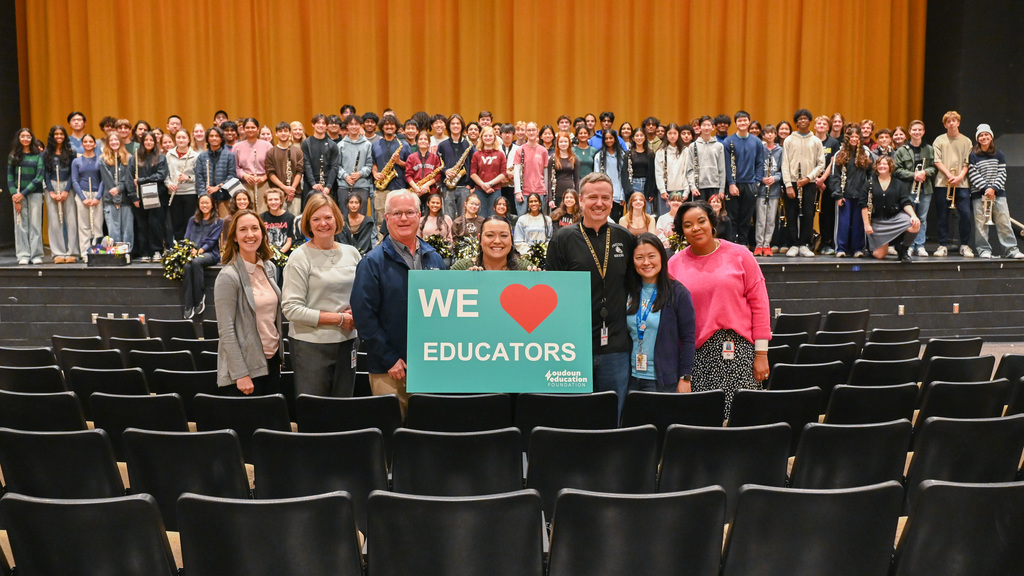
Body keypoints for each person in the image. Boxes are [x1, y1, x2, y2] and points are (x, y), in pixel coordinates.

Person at [667, 200, 771, 417]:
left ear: (712, 223)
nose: (695, 228)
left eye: (701, 221)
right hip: (695, 358)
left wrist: (761, 354)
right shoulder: (673, 265)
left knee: (741, 423)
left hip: (740, 354)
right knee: (703, 424)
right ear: (682, 231)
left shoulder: (741, 255)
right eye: (688, 225)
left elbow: (760, 305)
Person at [352, 190, 447, 415]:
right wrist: (390, 358)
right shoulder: (371, 263)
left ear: (419, 216)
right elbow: (364, 316)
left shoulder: (434, 258)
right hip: (390, 369)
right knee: (393, 435)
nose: (403, 219)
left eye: (409, 212)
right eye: (396, 213)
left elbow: (445, 309)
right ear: (386, 219)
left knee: (427, 432)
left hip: (428, 365)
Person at [547, 173, 635, 415]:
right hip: (574, 346)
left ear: (613, 201)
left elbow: (635, 287)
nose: (599, 203)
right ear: (581, 200)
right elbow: (552, 292)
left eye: (605, 197)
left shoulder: (624, 237)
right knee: (575, 417)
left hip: (615, 346)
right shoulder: (562, 238)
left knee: (612, 416)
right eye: (593, 197)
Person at [282, 194, 362, 397]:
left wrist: (357, 309)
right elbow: (291, 309)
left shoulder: (352, 253)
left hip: (347, 342)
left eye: (327, 217)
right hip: (311, 346)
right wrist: (339, 319)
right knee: (316, 413)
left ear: (337, 219)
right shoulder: (299, 257)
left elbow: (361, 295)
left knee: (343, 408)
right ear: (308, 223)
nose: (323, 224)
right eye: (316, 219)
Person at [215, 209, 283, 395]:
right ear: (235, 237)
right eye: (243, 229)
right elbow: (226, 330)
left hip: (271, 361)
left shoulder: (268, 267)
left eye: (255, 228)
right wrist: (240, 374)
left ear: (262, 233)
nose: (250, 234)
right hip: (246, 368)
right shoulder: (228, 276)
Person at [626, 232, 696, 392]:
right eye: (639, 258)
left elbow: (688, 339)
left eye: (652, 256)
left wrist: (685, 377)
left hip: (662, 381)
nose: (646, 263)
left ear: (662, 257)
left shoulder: (678, 293)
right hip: (630, 379)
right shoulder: (628, 290)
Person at [969, 124, 1022, 259]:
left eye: (986, 134)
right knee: (981, 225)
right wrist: (986, 188)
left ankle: (1011, 250)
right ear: (978, 139)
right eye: (981, 135)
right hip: (979, 195)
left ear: (991, 137)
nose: (984, 137)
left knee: (1004, 222)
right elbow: (973, 174)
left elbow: (1002, 173)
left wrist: (993, 189)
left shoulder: (999, 154)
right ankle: (984, 250)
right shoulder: (973, 155)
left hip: (998, 194)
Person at [781, 109, 826, 258]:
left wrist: (809, 177)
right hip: (793, 182)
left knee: (808, 214)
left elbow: (821, 164)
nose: (802, 121)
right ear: (796, 122)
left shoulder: (816, 141)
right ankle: (793, 244)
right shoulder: (789, 140)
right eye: (799, 119)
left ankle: (805, 244)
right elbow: (785, 164)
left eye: (805, 119)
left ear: (809, 121)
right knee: (791, 214)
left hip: (809, 182)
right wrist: (788, 184)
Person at [931, 111, 974, 257]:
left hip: (961, 183)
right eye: (948, 121)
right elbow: (937, 160)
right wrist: (950, 175)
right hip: (943, 183)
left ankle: (965, 245)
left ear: (958, 123)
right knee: (942, 215)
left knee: (966, 215)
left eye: (954, 121)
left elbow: (968, 162)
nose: (951, 123)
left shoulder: (966, 141)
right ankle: (942, 245)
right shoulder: (939, 140)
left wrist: (960, 176)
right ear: (945, 124)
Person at [862, 156, 920, 262]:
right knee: (879, 255)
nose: (882, 166)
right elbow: (863, 205)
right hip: (878, 222)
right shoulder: (869, 184)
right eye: (879, 164)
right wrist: (866, 224)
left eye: (885, 164)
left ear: (890, 166)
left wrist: (914, 216)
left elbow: (905, 202)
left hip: (894, 218)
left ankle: (903, 250)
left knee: (915, 225)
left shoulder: (898, 184)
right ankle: (890, 242)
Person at [893, 120, 936, 258]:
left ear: (923, 132)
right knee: (910, 218)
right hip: (908, 189)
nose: (917, 132)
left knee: (922, 218)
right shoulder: (901, 150)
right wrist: (914, 175)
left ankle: (920, 245)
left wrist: (925, 172)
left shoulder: (929, 149)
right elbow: (897, 170)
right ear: (910, 132)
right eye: (914, 130)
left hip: (925, 189)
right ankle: (909, 245)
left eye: (920, 130)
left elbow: (934, 167)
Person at [830, 124, 873, 258]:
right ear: (848, 138)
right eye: (852, 137)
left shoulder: (866, 153)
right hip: (844, 195)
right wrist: (838, 194)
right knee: (843, 223)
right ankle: (840, 249)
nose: (854, 139)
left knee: (859, 223)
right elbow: (834, 176)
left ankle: (858, 249)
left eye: (856, 137)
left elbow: (872, 174)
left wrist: (868, 192)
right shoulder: (840, 153)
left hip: (861, 195)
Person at [723, 111, 765, 246]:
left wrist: (757, 182)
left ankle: (743, 243)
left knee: (746, 218)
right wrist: (731, 183)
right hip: (734, 184)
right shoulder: (728, 141)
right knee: (732, 217)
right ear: (735, 124)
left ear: (749, 122)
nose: (742, 123)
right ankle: (732, 244)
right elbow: (727, 165)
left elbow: (760, 162)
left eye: (745, 120)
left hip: (750, 184)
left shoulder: (757, 142)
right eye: (739, 121)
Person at [128, 131, 169, 262]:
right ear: (142, 142)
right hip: (139, 197)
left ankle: (157, 251)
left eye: (151, 140)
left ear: (155, 142)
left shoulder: (161, 157)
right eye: (146, 140)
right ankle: (145, 252)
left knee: (155, 224)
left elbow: (161, 175)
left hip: (157, 195)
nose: (149, 142)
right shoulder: (134, 157)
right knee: (142, 225)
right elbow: (129, 179)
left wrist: (142, 180)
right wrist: (134, 197)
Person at [7, 128, 45, 265]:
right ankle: (23, 254)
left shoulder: (38, 155)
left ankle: (36, 255)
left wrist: (23, 193)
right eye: (22, 136)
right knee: (20, 224)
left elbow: (39, 177)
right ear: (18, 138)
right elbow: (10, 177)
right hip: (18, 194)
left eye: (28, 137)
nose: (25, 139)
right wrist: (14, 195)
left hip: (34, 193)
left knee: (35, 224)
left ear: (32, 138)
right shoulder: (13, 155)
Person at [181, 194, 223, 318]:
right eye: (202, 203)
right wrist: (188, 250)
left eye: (207, 203)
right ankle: (188, 304)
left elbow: (212, 241)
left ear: (212, 205)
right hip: (193, 253)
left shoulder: (218, 221)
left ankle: (199, 298)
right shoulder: (192, 220)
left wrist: (199, 250)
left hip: (210, 254)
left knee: (196, 262)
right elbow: (187, 237)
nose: (204, 205)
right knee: (187, 266)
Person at [43, 126, 78, 263]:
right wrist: (51, 191)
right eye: (56, 134)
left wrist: (66, 190)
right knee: (54, 221)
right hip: (52, 186)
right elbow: (45, 173)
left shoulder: (71, 152)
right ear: (52, 136)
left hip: (67, 187)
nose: (59, 136)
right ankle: (57, 253)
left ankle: (72, 252)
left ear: (65, 136)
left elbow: (72, 173)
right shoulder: (46, 154)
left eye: (61, 134)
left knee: (71, 220)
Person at [450, 215, 532, 270]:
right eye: (490, 235)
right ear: (480, 239)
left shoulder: (525, 268)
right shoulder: (462, 268)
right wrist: (464, 280)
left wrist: (537, 278)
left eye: (503, 236)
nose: (497, 241)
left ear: (511, 239)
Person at [371, 114, 409, 230]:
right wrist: (375, 174)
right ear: (382, 127)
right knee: (380, 221)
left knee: (399, 220)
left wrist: (399, 162)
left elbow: (410, 166)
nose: (389, 127)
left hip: (398, 187)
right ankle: (381, 246)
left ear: (396, 127)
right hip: (381, 189)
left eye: (392, 124)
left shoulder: (404, 145)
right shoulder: (375, 144)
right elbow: (373, 163)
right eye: (386, 124)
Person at [71, 134, 105, 257]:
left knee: (97, 225)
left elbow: (103, 180)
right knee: (84, 226)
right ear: (82, 144)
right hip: (83, 195)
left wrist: (98, 197)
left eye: (91, 141)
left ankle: (98, 252)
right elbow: (74, 180)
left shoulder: (100, 160)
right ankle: (85, 253)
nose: (88, 143)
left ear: (95, 144)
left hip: (96, 195)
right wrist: (83, 198)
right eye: (86, 141)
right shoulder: (76, 161)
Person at [437, 113, 476, 218]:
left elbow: (474, 165)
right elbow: (438, 163)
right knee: (448, 217)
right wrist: (445, 171)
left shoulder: (469, 145)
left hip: (464, 187)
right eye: (453, 123)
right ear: (449, 126)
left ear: (462, 125)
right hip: (448, 187)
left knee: (464, 217)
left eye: (458, 123)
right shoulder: (442, 145)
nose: (455, 126)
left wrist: (471, 185)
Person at [195, 126, 237, 218]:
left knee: (224, 223)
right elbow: (199, 177)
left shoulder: (229, 155)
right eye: (211, 136)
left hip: (225, 196)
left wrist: (218, 187)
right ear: (207, 139)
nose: (214, 138)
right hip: (207, 198)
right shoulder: (202, 156)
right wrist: (204, 195)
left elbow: (232, 176)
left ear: (221, 139)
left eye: (217, 136)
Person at [754, 125, 783, 257]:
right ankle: (759, 245)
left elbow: (784, 170)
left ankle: (767, 244)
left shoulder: (780, 151)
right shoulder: (760, 149)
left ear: (775, 135)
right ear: (763, 135)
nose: (770, 135)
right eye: (767, 133)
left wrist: (775, 178)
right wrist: (761, 179)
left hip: (774, 190)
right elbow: (755, 167)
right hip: (761, 190)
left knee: (771, 219)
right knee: (761, 219)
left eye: (772, 133)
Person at [100, 132, 132, 252]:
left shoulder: (129, 158)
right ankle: (114, 254)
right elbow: (107, 180)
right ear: (108, 143)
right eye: (111, 140)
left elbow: (128, 178)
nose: (114, 142)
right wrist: (115, 197)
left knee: (127, 229)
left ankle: (126, 253)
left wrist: (119, 189)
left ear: (121, 141)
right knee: (113, 229)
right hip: (110, 199)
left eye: (116, 140)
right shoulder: (103, 160)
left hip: (126, 198)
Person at [233, 118, 273, 214]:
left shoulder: (267, 145)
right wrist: (245, 176)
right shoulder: (237, 146)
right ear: (243, 129)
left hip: (263, 183)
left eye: (253, 127)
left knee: (263, 212)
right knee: (247, 212)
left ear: (258, 129)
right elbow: (235, 167)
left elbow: (272, 167)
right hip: (245, 184)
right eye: (247, 127)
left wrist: (263, 178)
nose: (250, 130)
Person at [814, 115, 841, 255]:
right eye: (819, 123)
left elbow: (833, 162)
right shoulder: (810, 140)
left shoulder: (833, 142)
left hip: (827, 183)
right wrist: (815, 179)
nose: (821, 125)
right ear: (815, 125)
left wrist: (822, 179)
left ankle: (825, 242)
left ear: (828, 127)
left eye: (824, 124)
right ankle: (808, 241)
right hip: (810, 181)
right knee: (808, 213)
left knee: (826, 214)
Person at [337, 114, 374, 216]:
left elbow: (369, 165)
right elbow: (337, 166)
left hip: (362, 185)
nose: (354, 127)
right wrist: (346, 176)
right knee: (344, 217)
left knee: (361, 216)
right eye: (351, 124)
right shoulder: (340, 145)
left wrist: (360, 173)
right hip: (344, 185)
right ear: (347, 126)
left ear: (361, 126)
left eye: (356, 124)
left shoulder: (367, 145)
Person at [165, 129, 198, 242]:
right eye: (178, 138)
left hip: (190, 192)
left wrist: (188, 178)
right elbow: (165, 174)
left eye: (184, 137)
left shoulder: (195, 156)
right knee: (176, 222)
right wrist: (169, 184)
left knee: (189, 221)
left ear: (189, 139)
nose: (181, 140)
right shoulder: (169, 154)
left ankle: (188, 246)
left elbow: (200, 176)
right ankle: (179, 247)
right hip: (174, 193)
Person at [265, 122, 304, 218]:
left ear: (290, 133)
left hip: (295, 193)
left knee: (295, 220)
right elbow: (270, 173)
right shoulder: (271, 152)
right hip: (277, 193)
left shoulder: (298, 151)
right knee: (278, 221)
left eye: (286, 131)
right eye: (280, 131)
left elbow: (300, 171)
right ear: (276, 134)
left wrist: (292, 189)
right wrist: (285, 188)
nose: (283, 133)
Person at [685, 116, 727, 202]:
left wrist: (722, 189)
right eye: (704, 125)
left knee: (713, 212)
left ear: (713, 127)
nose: (706, 127)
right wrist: (692, 187)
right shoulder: (693, 146)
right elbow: (689, 169)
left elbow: (722, 169)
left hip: (715, 186)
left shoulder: (719, 146)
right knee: (700, 211)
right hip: (698, 187)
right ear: (700, 127)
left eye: (709, 125)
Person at [302, 113, 340, 207]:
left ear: (326, 126)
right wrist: (313, 184)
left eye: (323, 123)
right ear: (313, 124)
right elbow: (306, 164)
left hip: (327, 186)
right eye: (318, 123)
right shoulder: (306, 143)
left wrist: (328, 186)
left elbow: (334, 166)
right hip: (311, 185)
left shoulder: (332, 145)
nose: (321, 125)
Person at [593, 130, 631, 222]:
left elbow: (624, 176)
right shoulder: (599, 155)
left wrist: (623, 195)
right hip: (604, 193)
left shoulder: (622, 155)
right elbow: (596, 176)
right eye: (606, 138)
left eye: (611, 138)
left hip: (618, 193)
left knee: (616, 220)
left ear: (615, 139)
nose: (609, 140)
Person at [468, 126, 506, 218]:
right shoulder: (476, 154)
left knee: (494, 216)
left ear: (494, 138)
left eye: (490, 136)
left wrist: (490, 184)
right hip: (480, 190)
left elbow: (503, 173)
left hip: (495, 190)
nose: (488, 138)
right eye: (485, 136)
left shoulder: (500, 154)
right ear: (481, 138)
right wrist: (483, 185)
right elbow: (473, 173)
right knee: (480, 216)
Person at [512, 122, 549, 215]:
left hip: (540, 190)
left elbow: (545, 173)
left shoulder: (543, 150)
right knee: (522, 220)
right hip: (524, 191)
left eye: (533, 130)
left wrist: (547, 192)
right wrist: (518, 191)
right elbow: (517, 172)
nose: (531, 132)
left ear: (537, 131)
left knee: (539, 220)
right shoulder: (520, 150)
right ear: (525, 132)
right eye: (528, 130)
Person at [260, 188, 297, 270]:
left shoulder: (290, 217)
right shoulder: (261, 218)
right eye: (270, 200)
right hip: (267, 255)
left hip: (283, 256)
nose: (273, 202)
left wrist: (279, 254)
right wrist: (269, 254)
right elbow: (261, 239)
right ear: (266, 202)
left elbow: (290, 240)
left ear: (281, 201)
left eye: (276, 199)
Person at [655, 123, 687, 215]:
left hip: (681, 190)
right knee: (665, 219)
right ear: (666, 135)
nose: (672, 136)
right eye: (670, 133)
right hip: (666, 192)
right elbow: (658, 173)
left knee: (680, 218)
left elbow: (687, 172)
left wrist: (686, 191)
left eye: (675, 133)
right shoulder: (661, 151)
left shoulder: (685, 151)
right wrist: (662, 190)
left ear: (679, 134)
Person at [406, 130, 443, 199]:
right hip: (415, 191)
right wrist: (416, 188)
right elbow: (408, 175)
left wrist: (426, 185)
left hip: (431, 191)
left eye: (425, 139)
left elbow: (438, 176)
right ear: (417, 142)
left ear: (429, 142)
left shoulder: (435, 157)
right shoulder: (411, 157)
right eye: (420, 139)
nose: (423, 141)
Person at [628, 130, 657, 215]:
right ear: (633, 138)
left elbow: (653, 173)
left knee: (647, 212)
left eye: (641, 135)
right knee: (633, 212)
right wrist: (628, 190)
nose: (639, 138)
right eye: (637, 136)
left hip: (646, 185)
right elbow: (624, 173)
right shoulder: (629, 154)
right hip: (633, 184)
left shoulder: (650, 154)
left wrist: (652, 191)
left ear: (645, 138)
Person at [549, 132, 580, 204]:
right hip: (556, 193)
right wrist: (550, 199)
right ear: (557, 143)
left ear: (569, 143)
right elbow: (549, 179)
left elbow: (576, 180)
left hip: (570, 193)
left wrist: (577, 196)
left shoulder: (574, 159)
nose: (563, 144)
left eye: (565, 142)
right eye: (561, 142)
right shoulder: (553, 158)